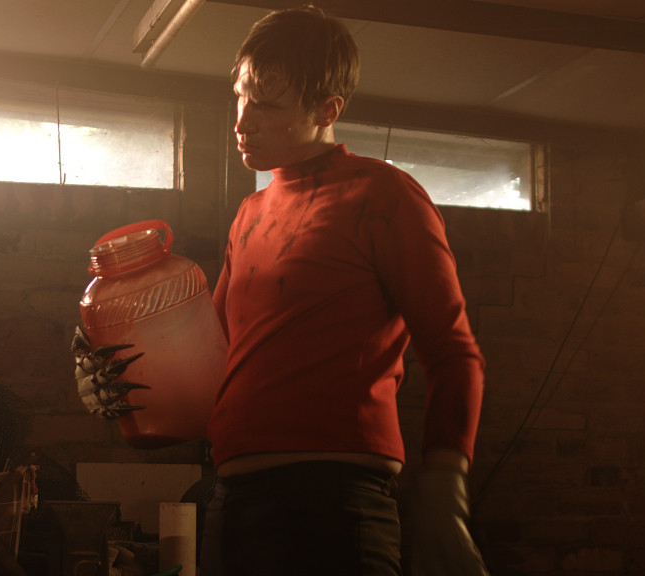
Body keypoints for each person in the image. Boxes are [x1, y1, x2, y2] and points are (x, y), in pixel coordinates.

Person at [76, 5, 488, 575]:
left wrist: (446, 488)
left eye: (267, 104)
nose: (243, 121)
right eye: (241, 97)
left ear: (327, 110)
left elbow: (454, 352)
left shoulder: (383, 195)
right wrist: (121, 384)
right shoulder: (250, 214)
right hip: (233, 500)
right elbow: (211, 370)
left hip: (333, 507)